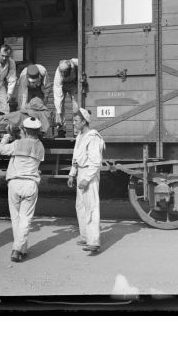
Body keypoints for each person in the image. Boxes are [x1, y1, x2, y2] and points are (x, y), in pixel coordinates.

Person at [0, 117, 45, 262]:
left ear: (24, 130)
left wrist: (7, 137)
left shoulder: (17, 144)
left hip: (15, 184)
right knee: (26, 219)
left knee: (16, 219)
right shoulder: (40, 146)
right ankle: (20, 249)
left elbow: (0, 149)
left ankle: (17, 249)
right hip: (30, 184)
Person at [67, 108, 105, 255]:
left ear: (84, 121)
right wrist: (72, 174)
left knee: (91, 207)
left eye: (76, 121)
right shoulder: (80, 136)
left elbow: (96, 162)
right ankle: (85, 237)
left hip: (90, 172)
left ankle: (94, 242)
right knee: (81, 206)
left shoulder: (93, 137)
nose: (74, 123)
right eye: (74, 121)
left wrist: (87, 179)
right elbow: (76, 158)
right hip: (81, 172)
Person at [54, 58, 79, 137]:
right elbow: (57, 92)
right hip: (62, 85)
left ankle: (77, 131)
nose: (63, 73)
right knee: (59, 107)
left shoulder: (76, 63)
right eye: (62, 72)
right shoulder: (58, 74)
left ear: (70, 68)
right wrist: (58, 109)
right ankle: (61, 130)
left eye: (65, 72)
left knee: (76, 107)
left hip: (74, 84)